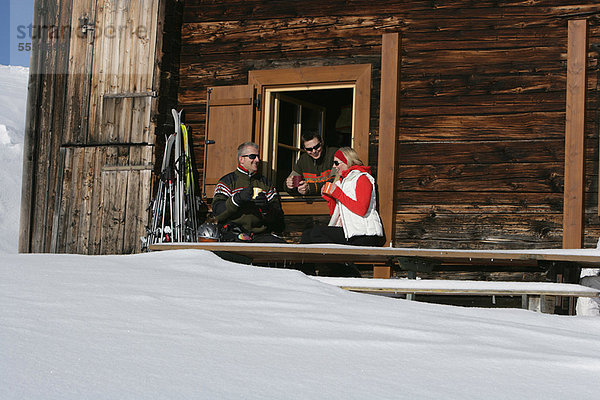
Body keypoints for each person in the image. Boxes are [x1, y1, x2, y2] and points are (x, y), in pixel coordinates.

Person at [301, 147, 384, 247]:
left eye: (336, 163)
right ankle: (300, 262)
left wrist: (338, 194)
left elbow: (362, 209)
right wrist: (330, 198)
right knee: (307, 234)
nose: (334, 166)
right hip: (349, 232)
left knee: (316, 233)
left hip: (365, 234)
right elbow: (336, 215)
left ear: (347, 161)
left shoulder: (362, 178)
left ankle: (338, 262)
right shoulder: (341, 182)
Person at [212, 142, 285, 243]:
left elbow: (278, 220)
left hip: (260, 235)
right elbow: (218, 211)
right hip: (234, 234)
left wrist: (266, 208)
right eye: (252, 156)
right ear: (241, 159)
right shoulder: (227, 182)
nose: (257, 160)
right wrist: (237, 199)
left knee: (281, 248)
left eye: (257, 157)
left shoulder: (266, 183)